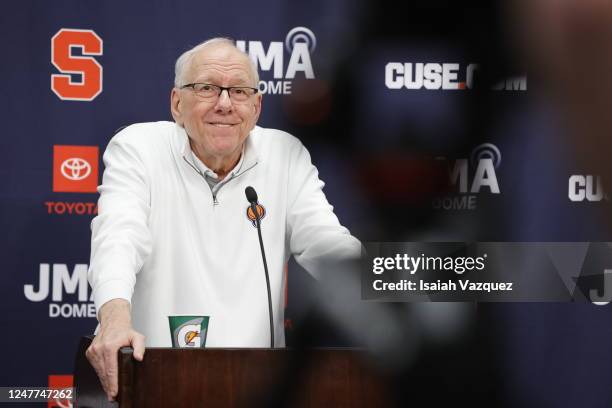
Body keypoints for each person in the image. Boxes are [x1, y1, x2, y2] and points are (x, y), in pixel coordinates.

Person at [85, 38, 361, 400]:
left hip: (254, 387)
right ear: (176, 104)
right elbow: (118, 236)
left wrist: (445, 275)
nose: (225, 104)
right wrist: (114, 321)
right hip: (155, 381)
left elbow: (330, 246)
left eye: (240, 91)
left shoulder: (286, 155)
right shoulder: (138, 148)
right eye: (207, 88)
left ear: (257, 105)